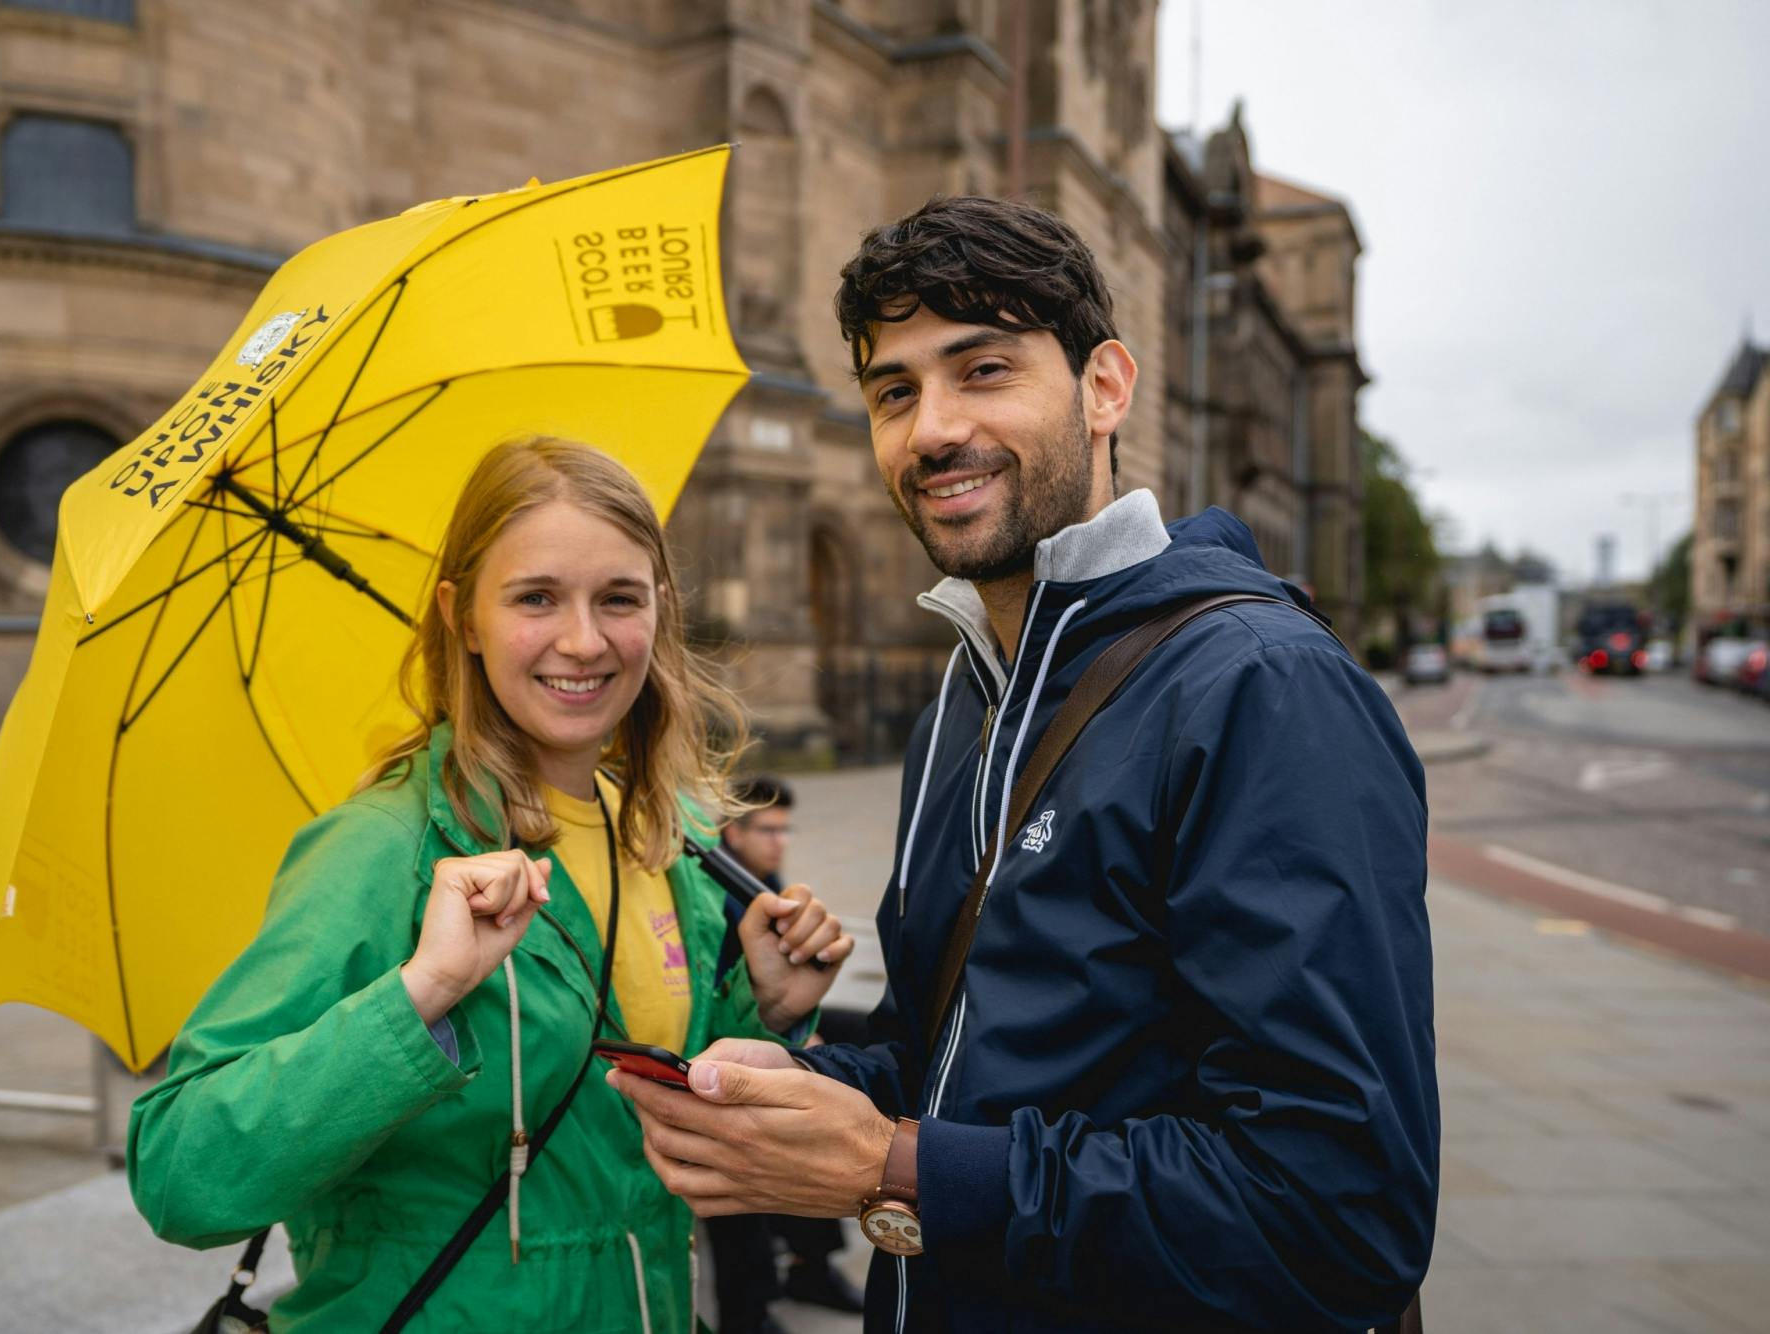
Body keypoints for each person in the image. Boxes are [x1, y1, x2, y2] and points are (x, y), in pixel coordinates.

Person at [611, 197, 1438, 1332]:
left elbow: (1338, 1207)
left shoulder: (1258, 687)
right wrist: (806, 1090)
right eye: (892, 391)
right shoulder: (961, 696)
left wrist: (895, 1163)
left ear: (1104, 386)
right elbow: (948, 1066)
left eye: (982, 368)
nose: (931, 427)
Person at [127, 437, 853, 1333]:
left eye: (618, 598)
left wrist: (765, 1012)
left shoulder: (671, 840)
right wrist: (421, 994)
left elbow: (653, 1128)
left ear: (660, 612)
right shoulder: (381, 849)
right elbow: (180, 1174)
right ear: (461, 615)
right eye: (536, 598)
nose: (583, 641)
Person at [705, 778, 864, 1334]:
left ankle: (810, 1262)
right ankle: (754, 1306)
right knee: (768, 1129)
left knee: (866, 1038)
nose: (778, 842)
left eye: (783, 829)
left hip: (754, 1016)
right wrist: (794, 1039)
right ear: (733, 829)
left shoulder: (761, 878)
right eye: (766, 830)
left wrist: (794, 1025)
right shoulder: (716, 884)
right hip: (710, 1037)